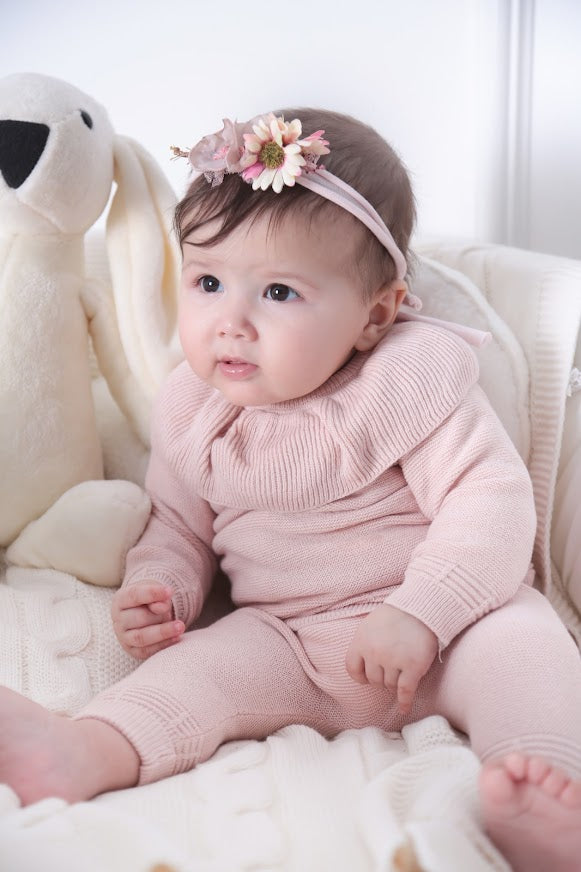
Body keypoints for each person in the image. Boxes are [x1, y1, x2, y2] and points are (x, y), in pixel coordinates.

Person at [1, 108, 580, 872]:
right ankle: (85, 749)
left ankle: (545, 796)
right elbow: (177, 524)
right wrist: (162, 588)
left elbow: (490, 504)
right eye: (208, 282)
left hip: (450, 631)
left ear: (375, 314)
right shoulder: (193, 410)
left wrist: (424, 610)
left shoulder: (408, 380)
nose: (230, 322)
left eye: (277, 292)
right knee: (196, 672)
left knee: (526, 650)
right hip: (290, 642)